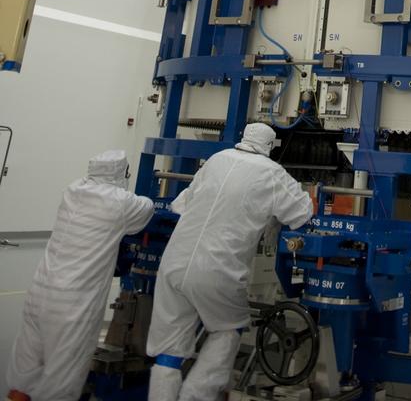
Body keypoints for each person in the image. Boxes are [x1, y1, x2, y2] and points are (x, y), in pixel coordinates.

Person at [146, 122, 313, 401]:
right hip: (217, 269)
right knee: (228, 328)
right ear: (270, 147)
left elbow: (181, 204)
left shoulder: (215, 160)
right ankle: (195, 396)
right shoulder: (272, 173)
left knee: (168, 350)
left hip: (174, 263)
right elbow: (302, 212)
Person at [6, 150, 154, 401]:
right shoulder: (121, 202)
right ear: (121, 174)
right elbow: (147, 209)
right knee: (60, 384)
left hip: (40, 294)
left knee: (25, 373)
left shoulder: (72, 190)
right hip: (72, 307)